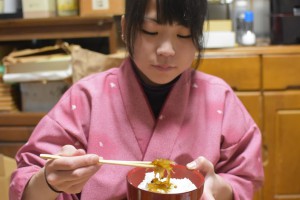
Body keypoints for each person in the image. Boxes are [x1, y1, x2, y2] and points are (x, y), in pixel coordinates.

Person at [10, 0, 264, 199]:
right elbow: (27, 183)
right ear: (125, 28)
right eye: (150, 31)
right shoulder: (86, 98)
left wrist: (217, 187)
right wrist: (49, 182)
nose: (166, 49)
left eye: (184, 34)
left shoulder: (220, 98)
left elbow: (244, 179)